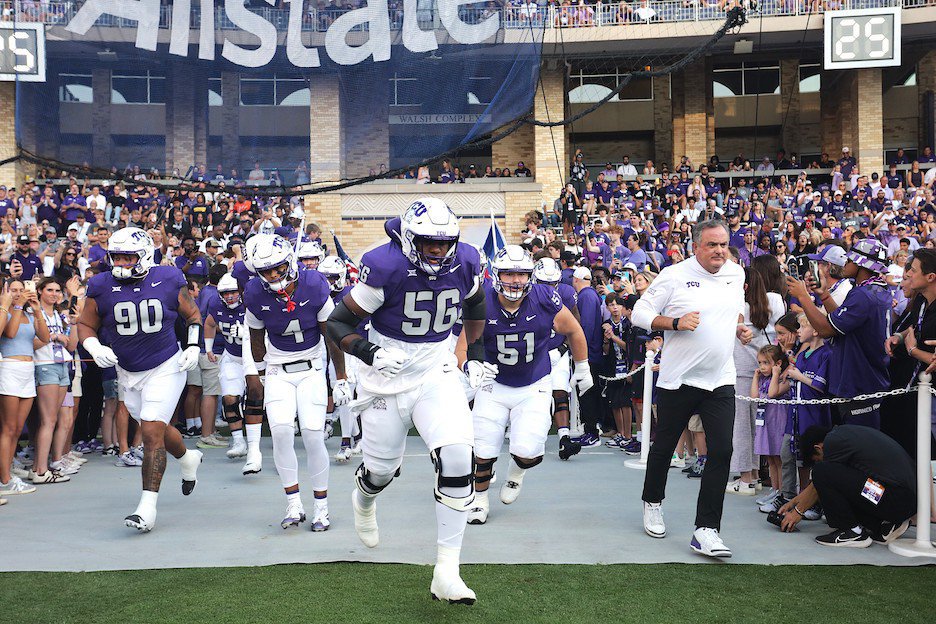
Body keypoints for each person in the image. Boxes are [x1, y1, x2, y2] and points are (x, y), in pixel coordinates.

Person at [325, 198, 486, 604]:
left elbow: (476, 304)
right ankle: (364, 500)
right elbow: (337, 323)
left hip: (435, 371)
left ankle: (446, 571)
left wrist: (475, 353)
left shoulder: (465, 260)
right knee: (380, 471)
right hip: (384, 377)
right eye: (429, 241)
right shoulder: (387, 265)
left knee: (457, 457)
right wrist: (369, 352)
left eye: (444, 241)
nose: (437, 249)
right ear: (411, 237)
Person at [631, 219, 751, 558]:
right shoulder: (673, 275)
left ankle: (707, 530)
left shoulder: (736, 273)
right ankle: (652, 502)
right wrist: (674, 323)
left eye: (723, 244)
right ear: (695, 246)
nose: (719, 251)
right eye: (712, 245)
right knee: (665, 446)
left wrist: (739, 329)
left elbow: (734, 312)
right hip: (678, 378)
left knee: (721, 452)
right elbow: (639, 313)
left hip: (720, 379)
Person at [78, 227, 204, 532]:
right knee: (157, 429)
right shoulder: (100, 285)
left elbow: (194, 315)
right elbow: (84, 324)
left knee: (149, 429)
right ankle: (188, 459)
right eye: (116, 256)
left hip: (165, 364)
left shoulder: (168, 278)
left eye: (127, 256)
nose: (120, 262)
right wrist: (93, 346)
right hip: (127, 370)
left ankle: (146, 508)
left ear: (145, 256)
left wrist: (193, 345)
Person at [457, 246, 590, 525]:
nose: (516, 280)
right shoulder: (483, 301)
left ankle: (516, 473)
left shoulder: (544, 297)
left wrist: (583, 366)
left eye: (522, 274)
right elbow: (463, 344)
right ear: (496, 274)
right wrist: (469, 364)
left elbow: (574, 330)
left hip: (533, 383)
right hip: (495, 383)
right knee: (483, 448)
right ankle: (479, 500)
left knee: (529, 451)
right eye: (509, 273)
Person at [244, 234, 347, 532]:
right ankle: (293, 503)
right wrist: (261, 375)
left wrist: (340, 377)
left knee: (314, 435)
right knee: (280, 432)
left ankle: (322, 508)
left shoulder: (314, 284)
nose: (273, 276)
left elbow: (332, 334)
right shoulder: (254, 293)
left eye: (277, 268)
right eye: (266, 271)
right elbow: (255, 339)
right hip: (278, 369)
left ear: (288, 261)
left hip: (312, 367)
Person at [786, 238, 891, 429]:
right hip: (867, 377)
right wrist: (824, 295)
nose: (846, 263)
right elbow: (840, 322)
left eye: (850, 260)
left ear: (861, 265)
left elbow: (826, 330)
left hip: (859, 381)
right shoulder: (875, 289)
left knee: (858, 446)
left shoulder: (863, 295)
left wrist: (803, 297)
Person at [779, 425, 915, 547]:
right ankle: (885, 525)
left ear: (818, 448)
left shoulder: (832, 443)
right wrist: (794, 502)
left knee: (821, 471)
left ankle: (851, 531)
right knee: (827, 476)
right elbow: (824, 483)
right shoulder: (843, 436)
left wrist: (798, 512)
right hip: (901, 499)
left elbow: (822, 477)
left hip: (896, 499)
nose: (820, 461)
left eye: (817, 459)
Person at [531, 257, 583, 460]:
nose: (549, 288)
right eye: (544, 284)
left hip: (557, 350)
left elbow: (575, 323)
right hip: (533, 351)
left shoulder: (567, 293)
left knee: (560, 392)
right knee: (535, 395)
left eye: (552, 283)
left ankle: (564, 438)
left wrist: (565, 346)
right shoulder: (524, 294)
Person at [0, 280, 47, 496]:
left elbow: (45, 338)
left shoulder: (28, 313)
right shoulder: (6, 312)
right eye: (14, 290)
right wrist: (16, 306)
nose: (19, 293)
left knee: (18, 429)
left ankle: (7, 473)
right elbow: (10, 333)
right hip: (9, 368)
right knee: (9, 428)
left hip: (28, 371)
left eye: (22, 290)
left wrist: (37, 311)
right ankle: (5, 480)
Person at [318, 255, 361, 463]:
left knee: (347, 397)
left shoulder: (351, 294)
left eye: (332, 277)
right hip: (331, 352)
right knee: (342, 397)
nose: (328, 281)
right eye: (324, 277)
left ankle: (346, 441)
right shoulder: (320, 296)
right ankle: (356, 436)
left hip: (352, 352)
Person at [203, 273, 249, 463]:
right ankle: (238, 441)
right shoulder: (216, 304)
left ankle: (254, 443)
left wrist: (247, 333)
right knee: (229, 398)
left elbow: (271, 327)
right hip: (232, 357)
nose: (230, 296)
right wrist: (208, 348)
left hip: (258, 360)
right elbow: (209, 322)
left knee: (262, 403)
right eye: (225, 293)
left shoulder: (251, 305)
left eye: (233, 292)